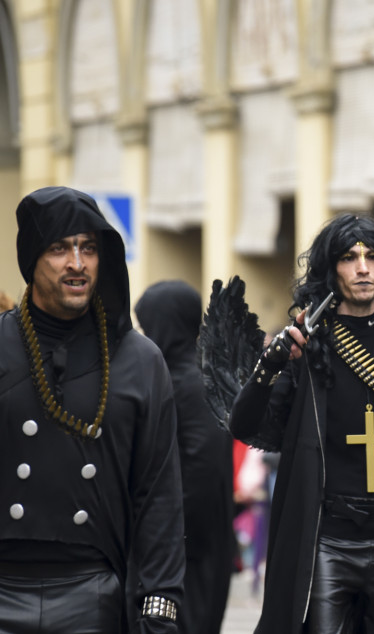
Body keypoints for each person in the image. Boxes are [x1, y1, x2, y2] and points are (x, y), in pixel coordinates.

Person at [228, 214, 374, 633]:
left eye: (372, 256)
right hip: (329, 541)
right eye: (349, 258)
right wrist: (271, 363)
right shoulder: (306, 345)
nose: (363, 268)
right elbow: (244, 424)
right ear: (331, 269)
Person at [0, 187, 185, 632]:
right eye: (59, 249)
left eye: (88, 248)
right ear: (31, 258)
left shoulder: (139, 360)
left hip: (94, 592)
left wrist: (160, 601)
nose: (77, 263)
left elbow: (159, 494)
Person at [135, 281, 234, 634]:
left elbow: (202, 467)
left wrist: (169, 535)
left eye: (147, 327)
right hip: (181, 543)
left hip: (190, 546)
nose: (142, 338)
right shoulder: (173, 377)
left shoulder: (193, 384)